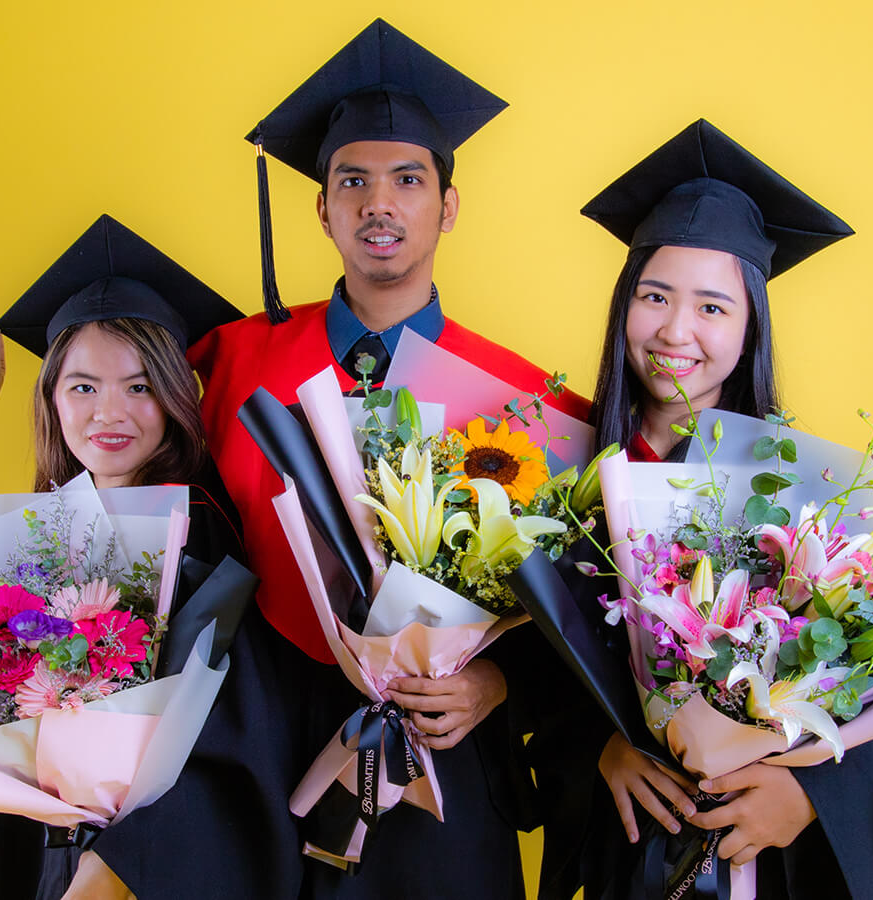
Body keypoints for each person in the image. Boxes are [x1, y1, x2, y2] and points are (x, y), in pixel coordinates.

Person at [167, 18, 589, 900]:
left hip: (443, 755)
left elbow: (578, 610)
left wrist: (496, 683)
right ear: (322, 208)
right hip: (262, 736)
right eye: (351, 181)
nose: (378, 204)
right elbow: (180, 545)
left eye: (408, 179)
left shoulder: (526, 401)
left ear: (448, 204)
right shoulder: (230, 363)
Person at [0, 214, 310, 900]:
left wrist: (115, 865)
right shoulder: (41, 536)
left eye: (139, 386)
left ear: (174, 397)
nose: (110, 413)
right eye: (82, 387)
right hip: (39, 843)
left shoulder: (202, 530)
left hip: (154, 866)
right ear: (51, 399)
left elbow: (237, 733)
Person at [533, 119, 873, 900]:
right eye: (654, 296)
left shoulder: (799, 490)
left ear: (751, 325)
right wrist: (601, 750)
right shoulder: (567, 480)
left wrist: (808, 796)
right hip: (624, 851)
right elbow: (533, 678)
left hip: (756, 867)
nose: (675, 331)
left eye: (712, 307)